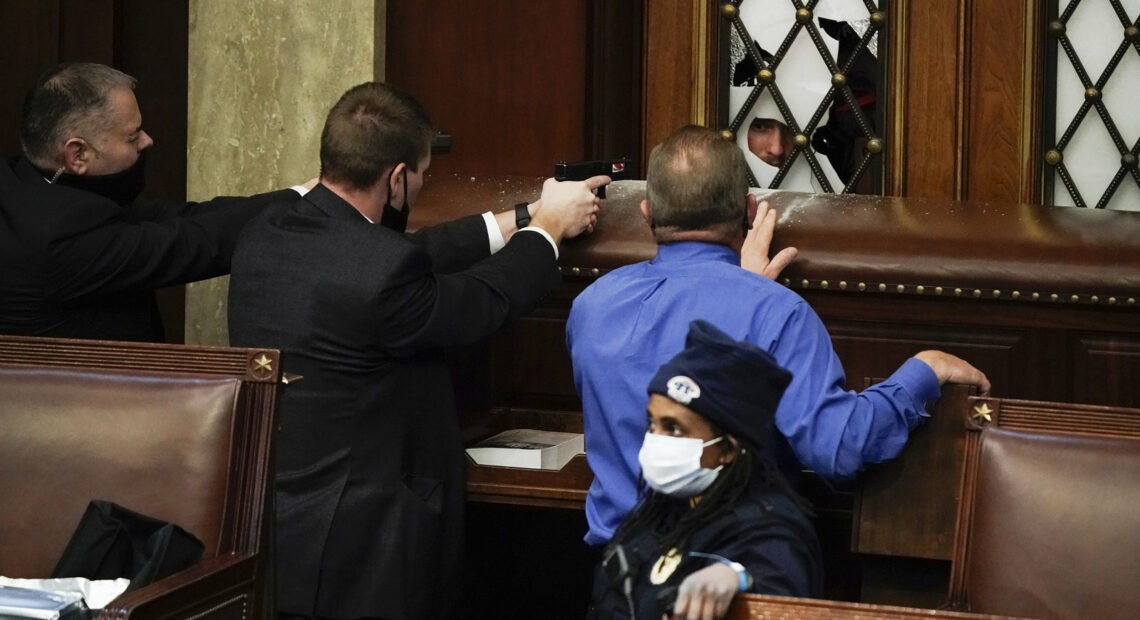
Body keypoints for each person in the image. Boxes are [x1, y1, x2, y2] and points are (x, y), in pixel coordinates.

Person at [226, 81, 608, 620]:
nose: (424, 185)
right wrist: (548, 230)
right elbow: (479, 302)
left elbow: (400, 253)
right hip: (368, 544)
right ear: (398, 177)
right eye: (424, 174)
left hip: (278, 522)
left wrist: (522, 216)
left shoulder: (267, 232)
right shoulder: (381, 271)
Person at [567, 124, 990, 547]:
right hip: (732, 582)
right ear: (750, 210)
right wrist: (922, 372)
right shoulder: (774, 312)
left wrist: (745, 290)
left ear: (647, 213)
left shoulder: (591, 305)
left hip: (618, 581)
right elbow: (838, 448)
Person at [0, 62, 308, 342]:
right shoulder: (62, 235)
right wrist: (318, 199)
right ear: (78, 154)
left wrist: (300, 193)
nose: (148, 140)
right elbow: (192, 243)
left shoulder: (30, 179)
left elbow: (185, 217)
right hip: (79, 401)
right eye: (132, 137)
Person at [589, 320, 823, 619]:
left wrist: (738, 576)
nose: (656, 440)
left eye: (674, 430)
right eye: (652, 423)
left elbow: (776, 583)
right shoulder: (662, 510)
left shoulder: (770, 529)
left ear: (726, 449)